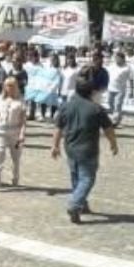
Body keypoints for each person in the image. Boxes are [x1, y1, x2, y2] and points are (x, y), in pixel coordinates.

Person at [51, 67, 118, 224]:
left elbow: (58, 128)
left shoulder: (66, 106)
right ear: (91, 92)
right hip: (88, 149)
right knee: (87, 178)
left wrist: (54, 146)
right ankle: (75, 204)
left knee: (76, 177)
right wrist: (113, 144)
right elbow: (108, 129)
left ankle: (82, 204)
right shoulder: (96, 109)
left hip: (71, 148)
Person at [0, 77, 26, 192]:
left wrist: (22, 134)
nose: (10, 88)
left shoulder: (20, 100)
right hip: (0, 131)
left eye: (12, 85)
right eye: (7, 85)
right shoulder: (0, 98)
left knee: (16, 159)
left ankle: (15, 178)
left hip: (15, 132)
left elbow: (23, 120)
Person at [106, 52, 133, 127]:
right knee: (110, 103)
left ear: (122, 59)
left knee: (117, 105)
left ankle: (115, 121)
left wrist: (131, 90)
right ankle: (117, 117)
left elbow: (131, 79)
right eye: (116, 58)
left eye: (118, 58)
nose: (116, 60)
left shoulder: (127, 68)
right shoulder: (112, 66)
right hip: (110, 88)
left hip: (120, 89)